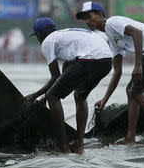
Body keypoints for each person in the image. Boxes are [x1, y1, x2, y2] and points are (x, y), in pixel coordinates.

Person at [76, 1, 144, 145]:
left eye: (89, 16)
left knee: (135, 92)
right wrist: (105, 99)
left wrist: (138, 65)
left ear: (100, 15)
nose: (87, 21)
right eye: (84, 19)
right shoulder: (112, 37)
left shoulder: (113, 22)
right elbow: (117, 72)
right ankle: (130, 137)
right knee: (131, 90)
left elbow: (137, 33)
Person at [25, 17, 113, 153]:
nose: (37, 39)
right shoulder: (65, 36)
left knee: (53, 97)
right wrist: (45, 97)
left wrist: (36, 95)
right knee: (80, 96)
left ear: (40, 34)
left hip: (91, 58)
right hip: (106, 60)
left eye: (36, 36)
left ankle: (63, 146)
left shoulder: (48, 41)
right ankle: (79, 145)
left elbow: (55, 76)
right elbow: (65, 72)